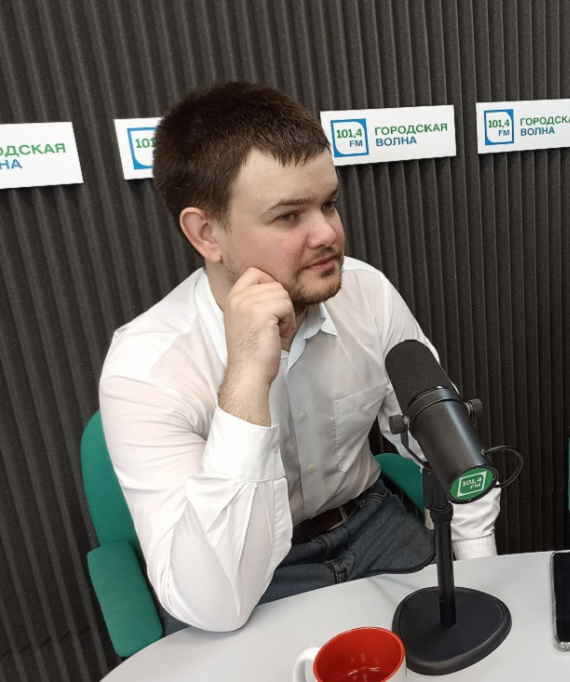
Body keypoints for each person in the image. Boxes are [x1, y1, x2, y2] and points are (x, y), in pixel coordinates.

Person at [99, 82, 499, 632]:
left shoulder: (368, 294)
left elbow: (448, 447)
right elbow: (215, 603)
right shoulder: (145, 368)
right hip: (252, 571)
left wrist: (479, 573)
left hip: (372, 524)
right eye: (288, 216)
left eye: (329, 203)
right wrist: (246, 379)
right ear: (207, 233)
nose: (327, 233)